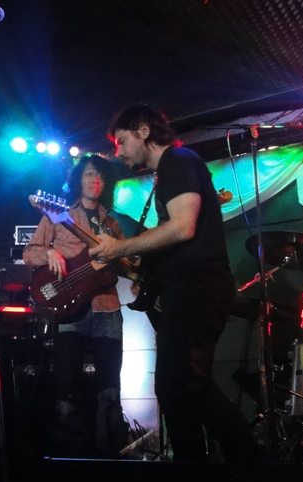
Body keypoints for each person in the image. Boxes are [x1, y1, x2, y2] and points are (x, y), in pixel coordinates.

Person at [89, 104, 260, 462]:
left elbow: (183, 227)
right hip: (185, 288)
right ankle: (191, 475)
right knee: (173, 388)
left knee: (186, 383)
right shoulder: (168, 171)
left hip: (198, 287)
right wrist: (142, 266)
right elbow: (172, 238)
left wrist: (120, 247)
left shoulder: (178, 161)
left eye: (122, 141)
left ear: (143, 131)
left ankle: (254, 466)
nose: (118, 152)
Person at [23, 154, 130, 458]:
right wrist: (49, 254)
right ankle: (70, 454)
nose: (95, 180)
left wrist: (136, 273)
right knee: (66, 383)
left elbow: (125, 263)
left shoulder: (112, 224)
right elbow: (29, 252)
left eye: (101, 176)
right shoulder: (59, 215)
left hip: (107, 306)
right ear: (78, 179)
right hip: (67, 307)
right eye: (89, 174)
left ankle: (109, 455)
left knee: (110, 385)